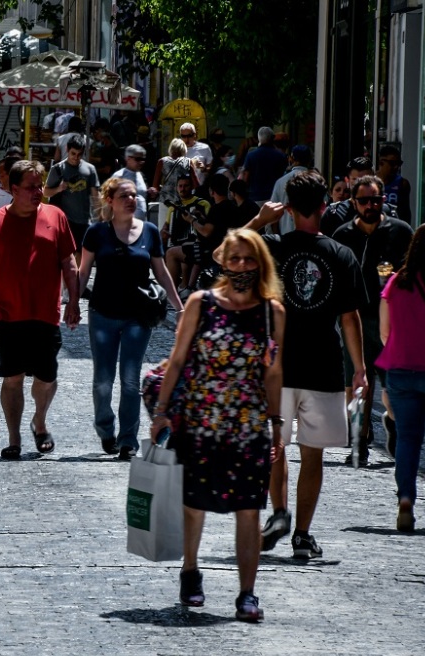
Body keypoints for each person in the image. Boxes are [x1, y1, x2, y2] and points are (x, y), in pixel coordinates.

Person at [150, 228, 286, 623]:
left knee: (249, 509)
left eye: (249, 259)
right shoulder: (201, 303)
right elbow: (176, 361)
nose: (242, 266)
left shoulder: (271, 312)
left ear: (260, 262)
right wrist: (162, 411)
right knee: (194, 505)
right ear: (223, 262)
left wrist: (276, 423)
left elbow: (274, 372)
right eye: (235, 258)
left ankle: (247, 593)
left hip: (248, 426)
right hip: (201, 422)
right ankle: (190, 571)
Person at [246, 171, 367, 560]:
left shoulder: (272, 246)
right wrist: (360, 369)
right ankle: (301, 535)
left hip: (276, 366)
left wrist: (260, 221)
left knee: (275, 446)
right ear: (325, 206)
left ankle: (279, 513)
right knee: (312, 454)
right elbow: (350, 317)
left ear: (289, 208)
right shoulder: (341, 254)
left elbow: (228, 251)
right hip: (324, 366)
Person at [0, 160, 81, 458]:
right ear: (13, 190)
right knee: (13, 376)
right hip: (7, 313)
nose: (38, 192)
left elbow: (69, 264)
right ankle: (14, 438)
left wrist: (73, 300)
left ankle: (40, 420)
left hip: (46, 312)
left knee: (47, 376)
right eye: (31, 187)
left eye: (40, 186)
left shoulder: (56, 216)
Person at [79, 178, 183, 460]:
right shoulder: (96, 233)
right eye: (124, 195)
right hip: (102, 314)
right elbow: (83, 271)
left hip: (138, 316)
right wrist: (71, 304)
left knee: (129, 379)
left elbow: (161, 272)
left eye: (134, 195)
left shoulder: (149, 231)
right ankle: (105, 429)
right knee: (103, 380)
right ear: (109, 200)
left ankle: (128, 441)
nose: (131, 200)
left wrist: (180, 307)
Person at [329, 175, 413, 465]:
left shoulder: (401, 232)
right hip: (354, 321)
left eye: (375, 199)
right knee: (356, 385)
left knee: (394, 389)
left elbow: (413, 274)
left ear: (383, 200)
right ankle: (358, 441)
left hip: (392, 323)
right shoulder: (342, 236)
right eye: (363, 201)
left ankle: (392, 422)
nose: (370, 205)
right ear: (354, 203)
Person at [376, 221, 425, 532]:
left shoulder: (395, 283)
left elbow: (384, 332)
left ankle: (406, 500)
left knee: (408, 439)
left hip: (401, 370)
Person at [44, 134, 101, 255]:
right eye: (73, 153)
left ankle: (77, 274)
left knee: (81, 252)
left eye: (79, 154)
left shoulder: (90, 169)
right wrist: (59, 188)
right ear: (67, 150)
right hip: (65, 221)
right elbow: (46, 191)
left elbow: (95, 196)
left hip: (84, 220)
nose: (76, 157)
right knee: (66, 253)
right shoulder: (58, 169)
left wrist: (100, 216)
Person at [240, 127, 287, 204]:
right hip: (274, 196)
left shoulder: (251, 155)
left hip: (255, 196)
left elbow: (245, 177)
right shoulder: (281, 156)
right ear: (273, 138)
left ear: (259, 138)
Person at [111, 144, 153, 220]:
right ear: (128, 159)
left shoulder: (140, 175)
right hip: (124, 223)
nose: (141, 162)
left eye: (143, 159)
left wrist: (149, 192)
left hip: (141, 222)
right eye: (138, 159)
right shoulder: (119, 176)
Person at [376, 144, 413, 224]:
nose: (396, 167)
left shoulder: (402, 184)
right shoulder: (370, 181)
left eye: (399, 163)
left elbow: (406, 213)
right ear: (381, 162)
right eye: (392, 163)